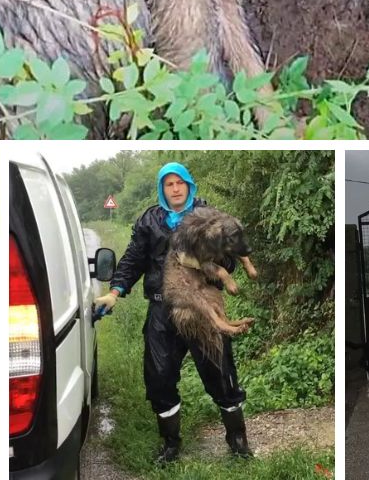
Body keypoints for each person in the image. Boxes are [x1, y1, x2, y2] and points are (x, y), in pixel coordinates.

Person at [93, 163, 251, 464]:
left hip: (201, 307)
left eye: (180, 183)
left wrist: (205, 263)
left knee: (221, 372)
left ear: (190, 185)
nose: (175, 189)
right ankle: (170, 443)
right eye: (169, 184)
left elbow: (229, 261)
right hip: (162, 310)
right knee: (158, 377)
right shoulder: (149, 220)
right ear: (161, 189)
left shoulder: (208, 217)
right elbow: (133, 259)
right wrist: (115, 292)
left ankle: (237, 439)